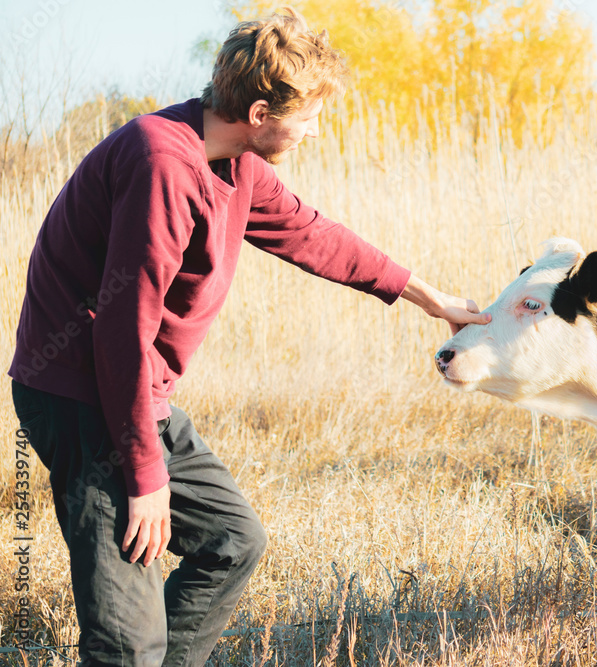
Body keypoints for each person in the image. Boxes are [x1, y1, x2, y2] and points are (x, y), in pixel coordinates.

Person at [8, 9, 489, 666]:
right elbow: (122, 332)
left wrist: (430, 297)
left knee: (232, 540)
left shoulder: (234, 165)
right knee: (127, 640)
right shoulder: (163, 164)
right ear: (260, 112)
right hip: (82, 397)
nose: (315, 131)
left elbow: (316, 237)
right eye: (309, 116)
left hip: (132, 391)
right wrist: (145, 475)